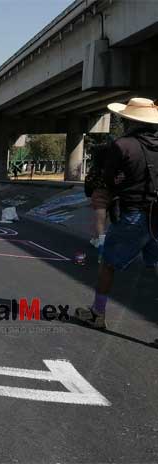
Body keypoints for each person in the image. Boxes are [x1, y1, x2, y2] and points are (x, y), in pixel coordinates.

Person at [76, 97, 158, 329]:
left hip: (134, 215)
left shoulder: (122, 146)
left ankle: (97, 313)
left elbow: (109, 181)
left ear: (129, 121)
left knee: (108, 263)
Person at [85, 142, 112, 248]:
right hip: (112, 194)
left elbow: (89, 181)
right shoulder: (112, 168)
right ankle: (97, 238)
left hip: (99, 194)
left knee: (99, 219)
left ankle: (100, 239)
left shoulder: (96, 168)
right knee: (107, 219)